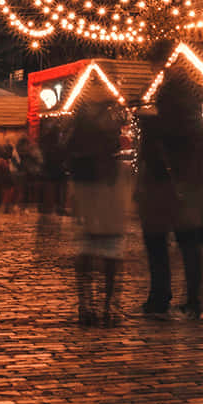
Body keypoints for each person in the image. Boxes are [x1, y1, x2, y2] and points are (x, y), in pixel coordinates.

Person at [137, 78, 203, 320]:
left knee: (157, 247)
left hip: (160, 192)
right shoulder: (197, 126)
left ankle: (160, 296)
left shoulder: (155, 125)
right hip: (190, 193)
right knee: (190, 247)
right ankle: (194, 298)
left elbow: (150, 157)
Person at [66, 98, 129, 325]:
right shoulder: (103, 123)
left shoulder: (83, 127)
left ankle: (88, 304)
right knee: (110, 252)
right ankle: (108, 306)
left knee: (89, 250)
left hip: (88, 182)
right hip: (103, 182)